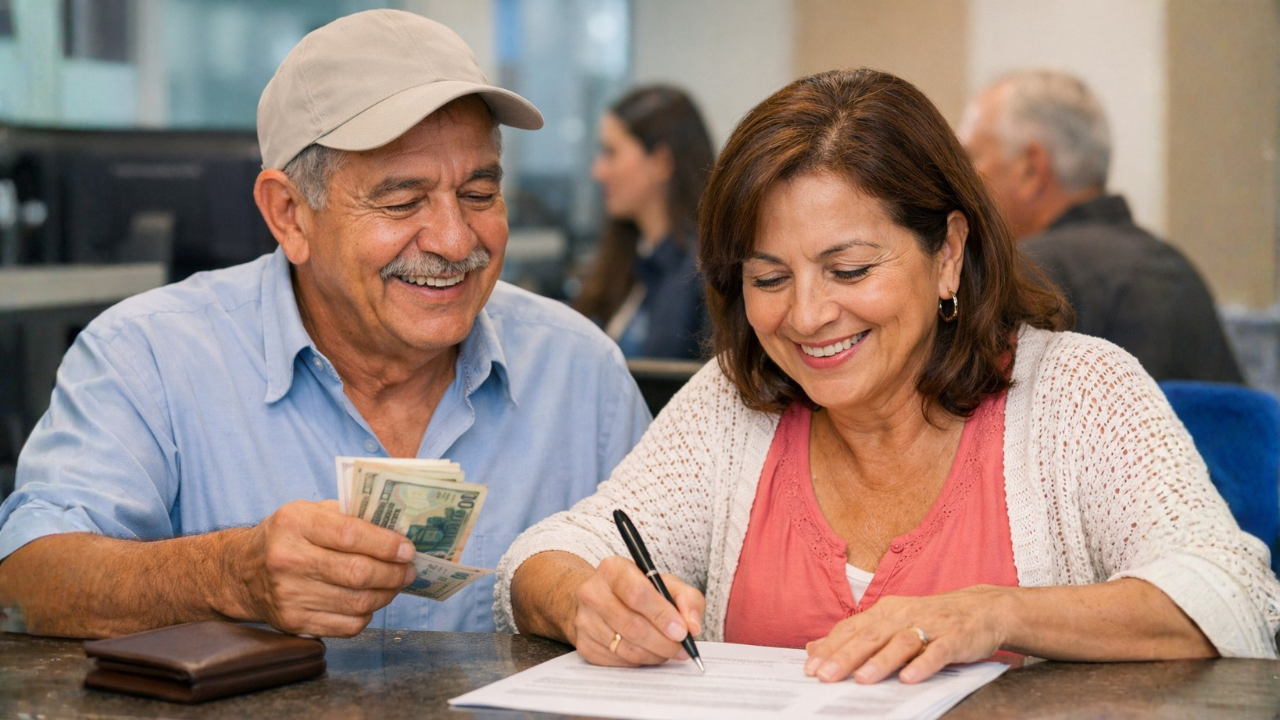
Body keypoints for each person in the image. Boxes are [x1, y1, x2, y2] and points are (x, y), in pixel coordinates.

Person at [496, 69, 1280, 684]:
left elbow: (1234, 596)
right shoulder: (732, 407)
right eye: (769, 279)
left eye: (848, 269)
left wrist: (998, 615)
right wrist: (585, 600)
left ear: (947, 254)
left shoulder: (1080, 394)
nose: (806, 316)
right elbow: (550, 551)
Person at [0, 10, 649, 639]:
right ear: (288, 214)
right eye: (403, 201)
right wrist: (230, 576)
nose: (456, 241)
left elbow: (672, 606)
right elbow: (27, 582)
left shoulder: (580, 372)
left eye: (479, 193)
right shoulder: (150, 356)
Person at [958, 69, 1243, 383]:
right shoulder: (1175, 266)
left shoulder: (1025, 273)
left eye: (970, 158)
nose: (959, 181)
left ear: (1031, 168)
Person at [574, 86, 715, 359]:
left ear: (661, 162)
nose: (598, 171)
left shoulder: (704, 273)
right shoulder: (629, 260)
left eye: (610, 152)